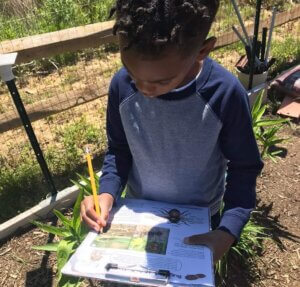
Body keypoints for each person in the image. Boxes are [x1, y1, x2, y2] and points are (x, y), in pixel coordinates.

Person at [81, 0, 263, 263]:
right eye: (132, 72)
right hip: (138, 215)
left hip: (199, 219)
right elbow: (119, 150)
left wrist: (227, 230)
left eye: (161, 81)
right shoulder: (121, 86)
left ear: (203, 50)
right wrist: (107, 192)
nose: (143, 89)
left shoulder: (224, 94)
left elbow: (244, 166)